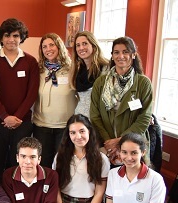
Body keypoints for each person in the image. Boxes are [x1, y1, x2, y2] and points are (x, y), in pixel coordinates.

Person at [0, 18, 39, 181]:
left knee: (17, 162)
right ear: (1, 38)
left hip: (22, 122)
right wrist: (4, 116)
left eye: (15, 36)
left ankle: (14, 196)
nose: (11, 39)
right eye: (7, 35)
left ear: (21, 37)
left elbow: (32, 93)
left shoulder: (30, 61)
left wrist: (17, 117)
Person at [90, 37, 153, 166]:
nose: (121, 56)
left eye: (125, 52)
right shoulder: (100, 83)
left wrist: (121, 141)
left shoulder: (143, 83)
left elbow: (144, 118)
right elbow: (95, 116)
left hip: (133, 146)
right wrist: (109, 142)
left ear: (133, 55)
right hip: (105, 145)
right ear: (112, 56)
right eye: (116, 52)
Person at [32, 33, 77, 168]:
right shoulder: (38, 70)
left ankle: (60, 189)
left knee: (62, 163)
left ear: (59, 46)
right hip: (41, 125)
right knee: (43, 163)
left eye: (51, 45)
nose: (48, 49)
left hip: (64, 126)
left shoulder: (72, 69)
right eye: (44, 46)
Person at [71, 31, 109, 118]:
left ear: (94, 46)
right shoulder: (78, 70)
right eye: (78, 45)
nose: (81, 48)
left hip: (98, 121)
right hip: (80, 119)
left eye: (85, 44)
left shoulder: (106, 69)